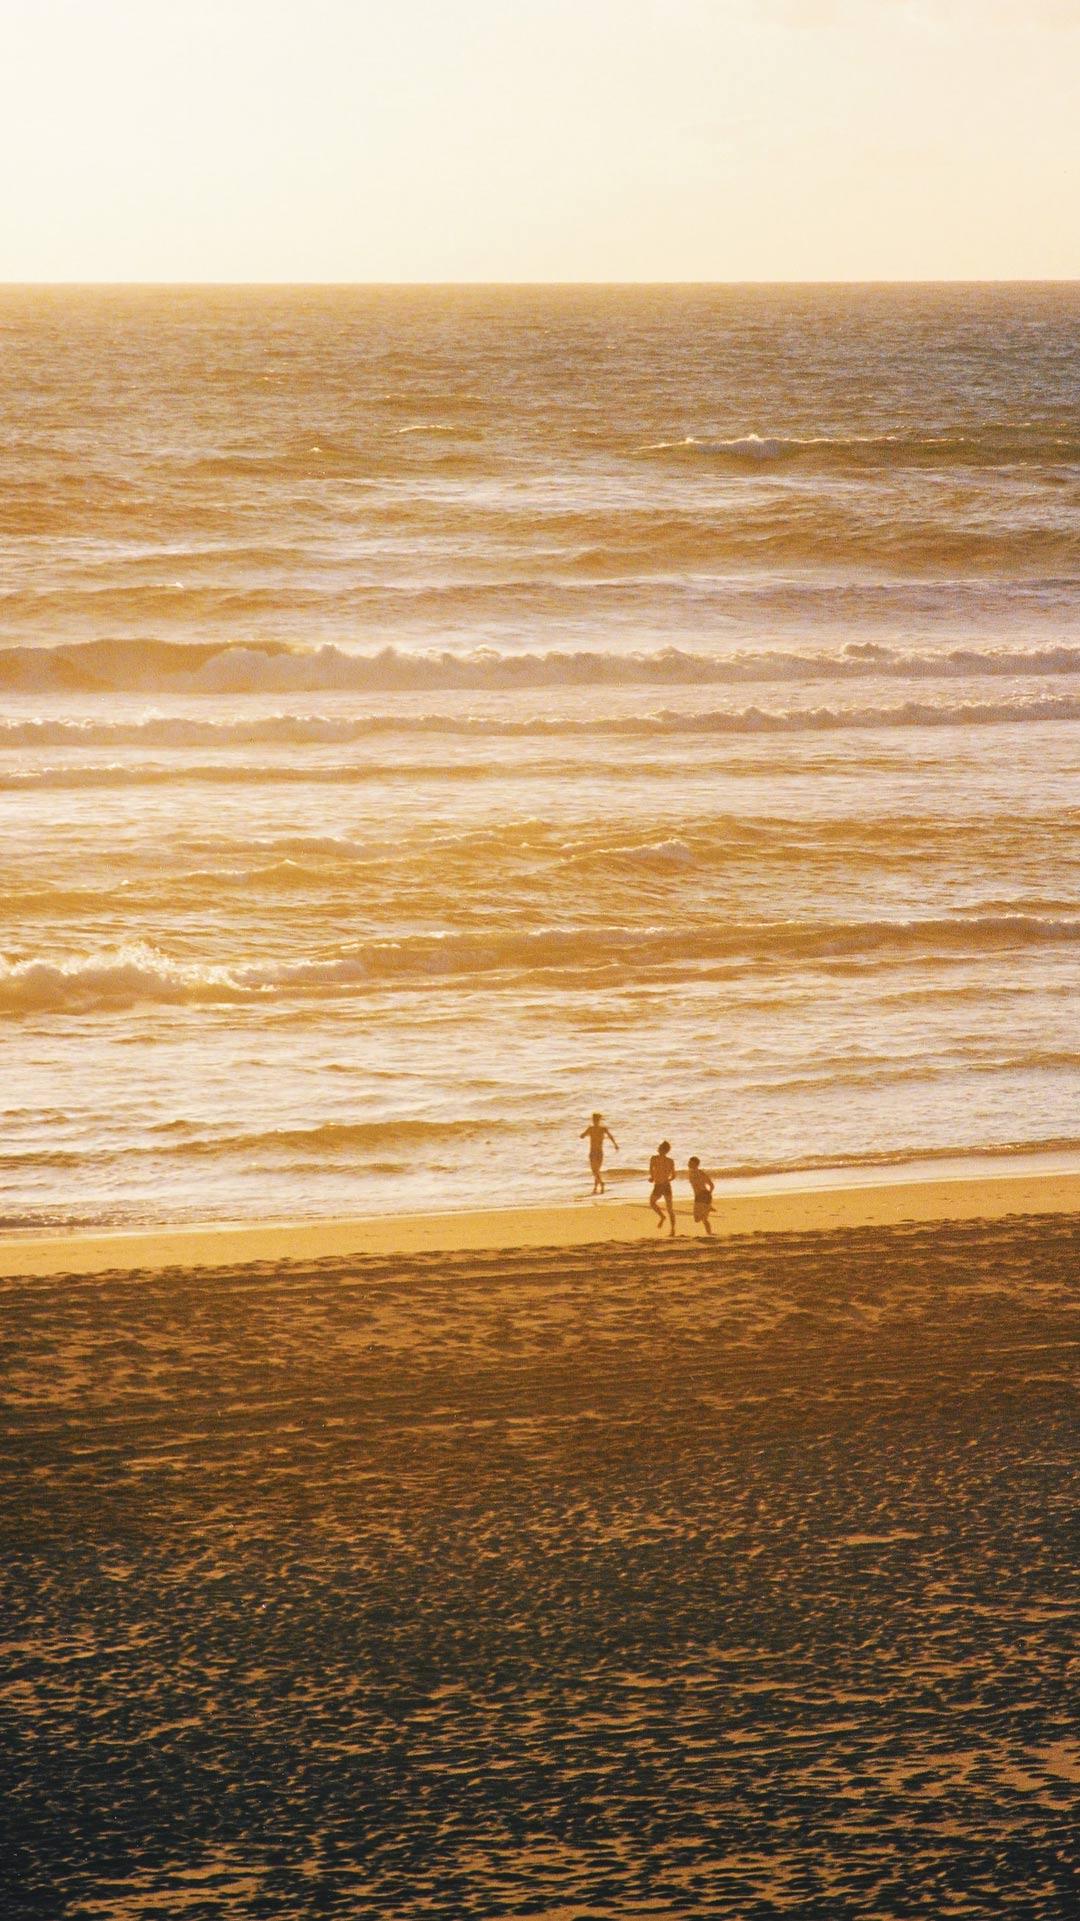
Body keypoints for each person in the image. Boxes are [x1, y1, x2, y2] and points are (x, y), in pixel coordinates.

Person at [580, 1112, 618, 1194]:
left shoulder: (595, 1129)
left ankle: (600, 1185)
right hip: (596, 1152)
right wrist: (615, 1145)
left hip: (596, 1152)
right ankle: (597, 1187)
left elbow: (582, 1136)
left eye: (595, 1120)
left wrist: (615, 1145)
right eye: (594, 1120)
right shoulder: (598, 1129)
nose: (594, 1121)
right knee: (596, 1170)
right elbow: (582, 1136)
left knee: (595, 1171)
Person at [648, 1140, 676, 1236]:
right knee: (669, 1208)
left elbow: (651, 1170)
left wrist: (652, 1178)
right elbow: (673, 1176)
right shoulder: (669, 1161)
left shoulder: (654, 1158)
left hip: (660, 1185)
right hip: (665, 1185)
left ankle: (664, 1219)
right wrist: (667, 1180)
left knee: (653, 1203)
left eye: (660, 1147)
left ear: (663, 1150)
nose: (658, 1148)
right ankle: (671, 1229)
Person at [687, 1156, 715, 1236]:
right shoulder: (699, 1172)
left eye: (690, 1163)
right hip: (705, 1195)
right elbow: (711, 1185)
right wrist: (709, 1195)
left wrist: (705, 1195)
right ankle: (709, 1234)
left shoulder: (695, 1173)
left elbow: (711, 1185)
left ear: (696, 1164)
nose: (688, 1164)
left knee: (697, 1219)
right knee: (704, 1219)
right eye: (689, 1162)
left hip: (701, 1196)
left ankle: (707, 1208)